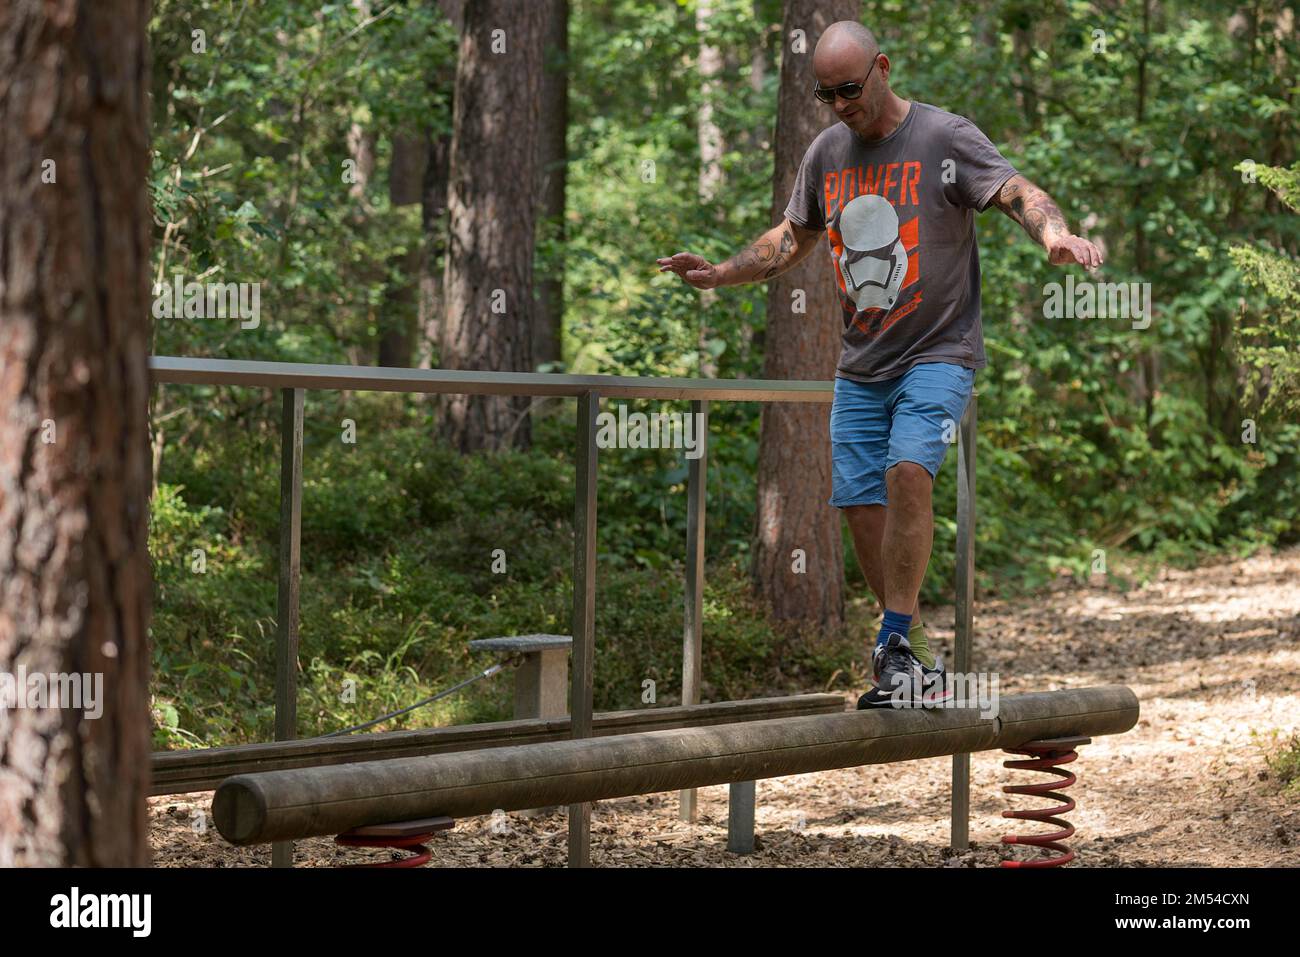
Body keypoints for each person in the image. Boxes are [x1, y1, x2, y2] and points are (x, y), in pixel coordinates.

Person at [656, 20, 1101, 708]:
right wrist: (718, 274)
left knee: (906, 470)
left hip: (939, 350)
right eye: (826, 94)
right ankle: (912, 653)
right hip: (862, 364)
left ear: (882, 67)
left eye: (849, 89)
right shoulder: (828, 153)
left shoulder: (943, 138)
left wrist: (1055, 234)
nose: (840, 105)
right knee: (860, 504)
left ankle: (891, 639)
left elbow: (1017, 191)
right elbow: (791, 237)